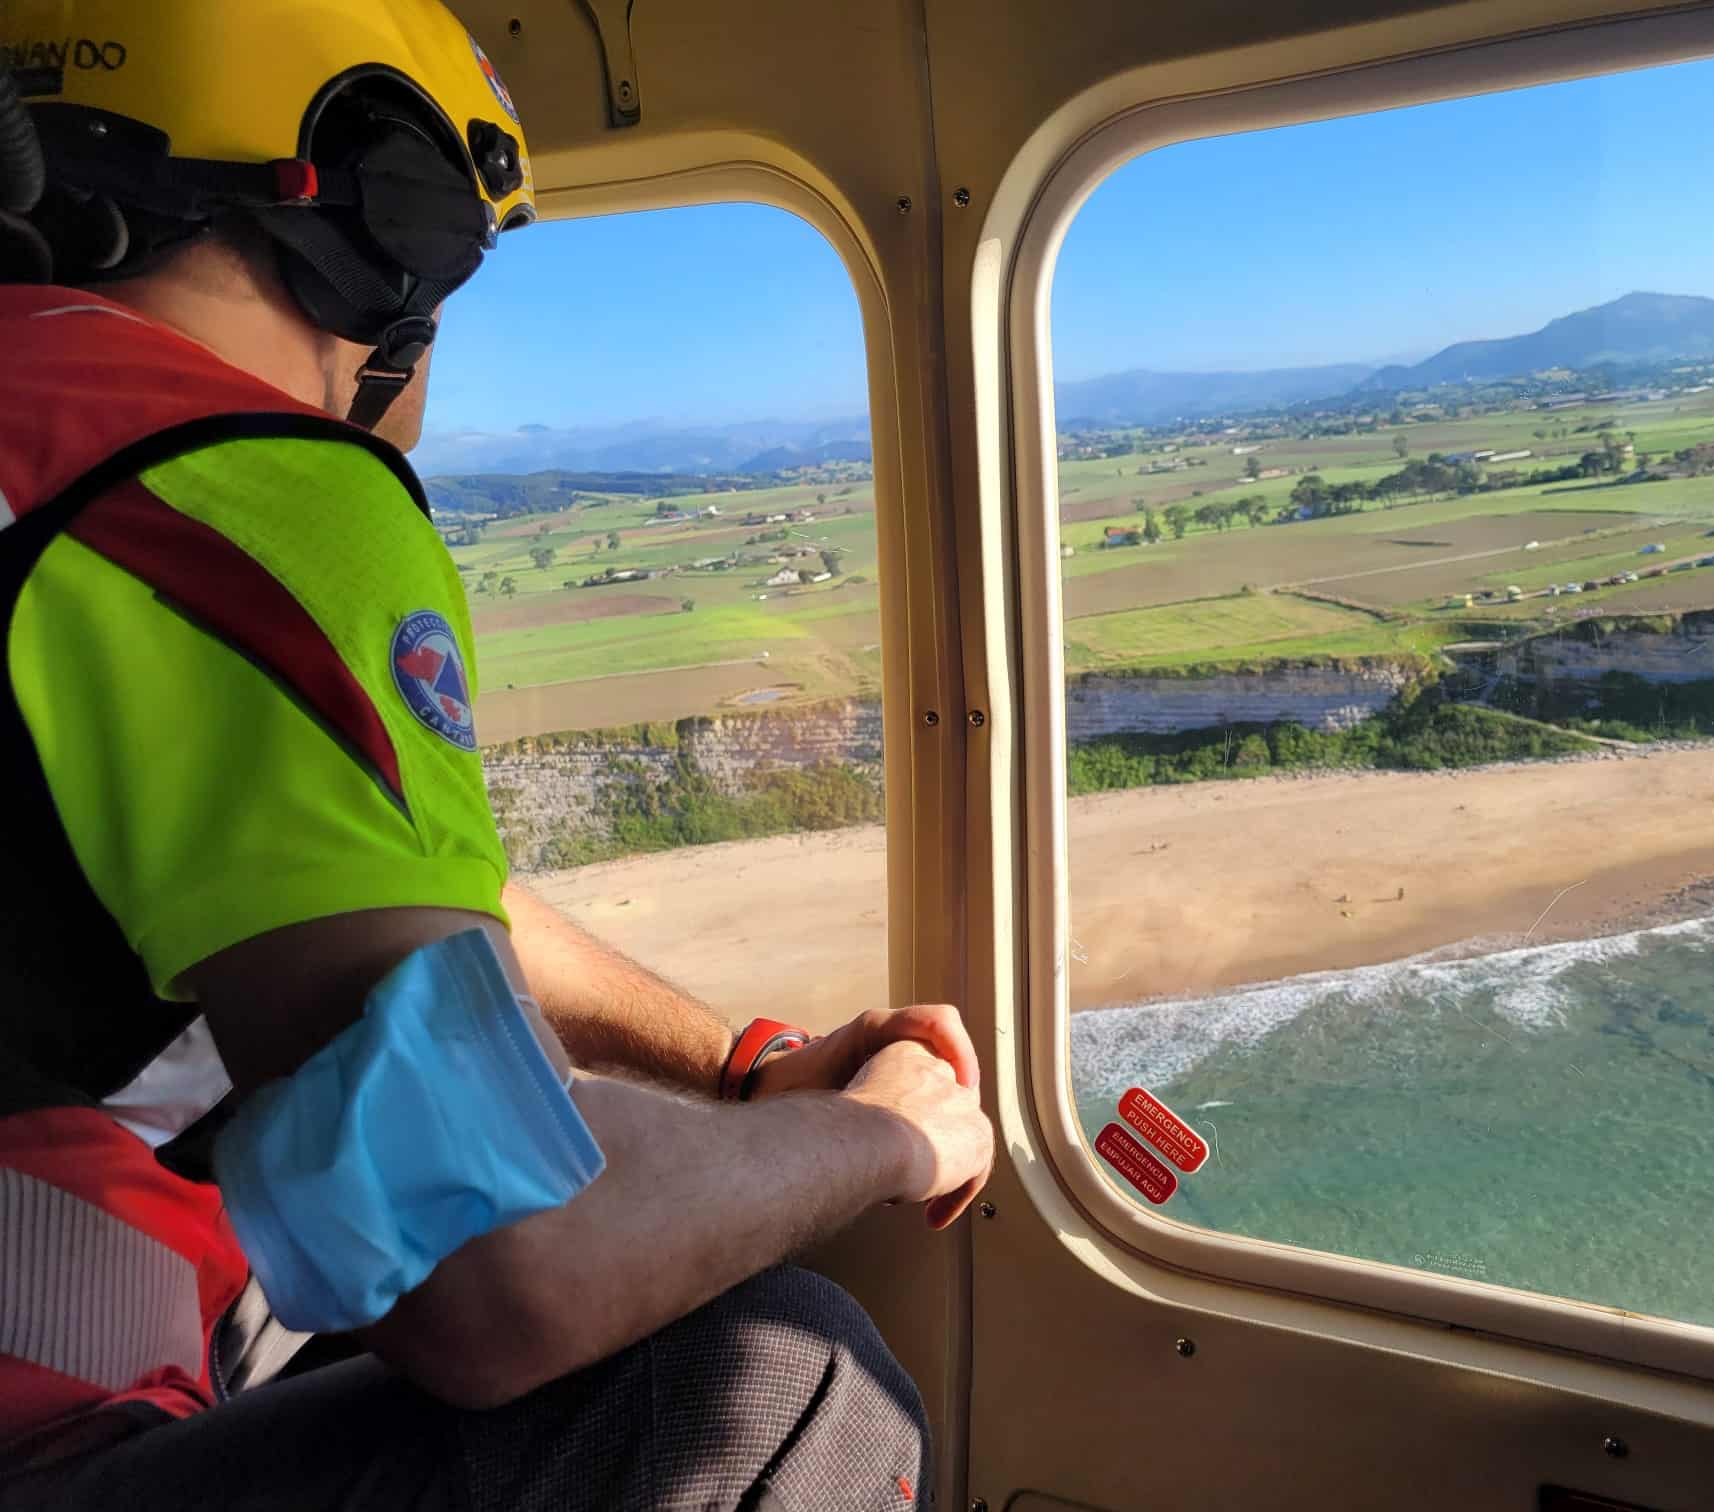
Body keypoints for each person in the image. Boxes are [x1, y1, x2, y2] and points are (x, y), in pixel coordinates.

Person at [0, 5, 992, 1508]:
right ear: (384, 227)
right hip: (52, 1416)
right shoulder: (218, 488)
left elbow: (340, 895)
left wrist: (741, 1074)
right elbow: (495, 1281)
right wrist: (883, 1140)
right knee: (781, 1383)